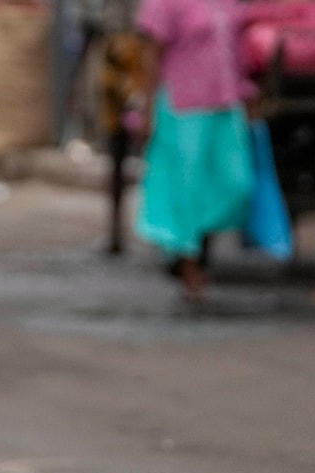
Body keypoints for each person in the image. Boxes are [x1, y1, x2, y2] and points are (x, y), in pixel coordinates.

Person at [129, 0, 255, 302]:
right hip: (184, 106)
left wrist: (248, 93)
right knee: (188, 189)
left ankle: (190, 243)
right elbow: (151, 54)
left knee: (237, 183)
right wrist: (147, 111)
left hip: (226, 102)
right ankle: (190, 267)